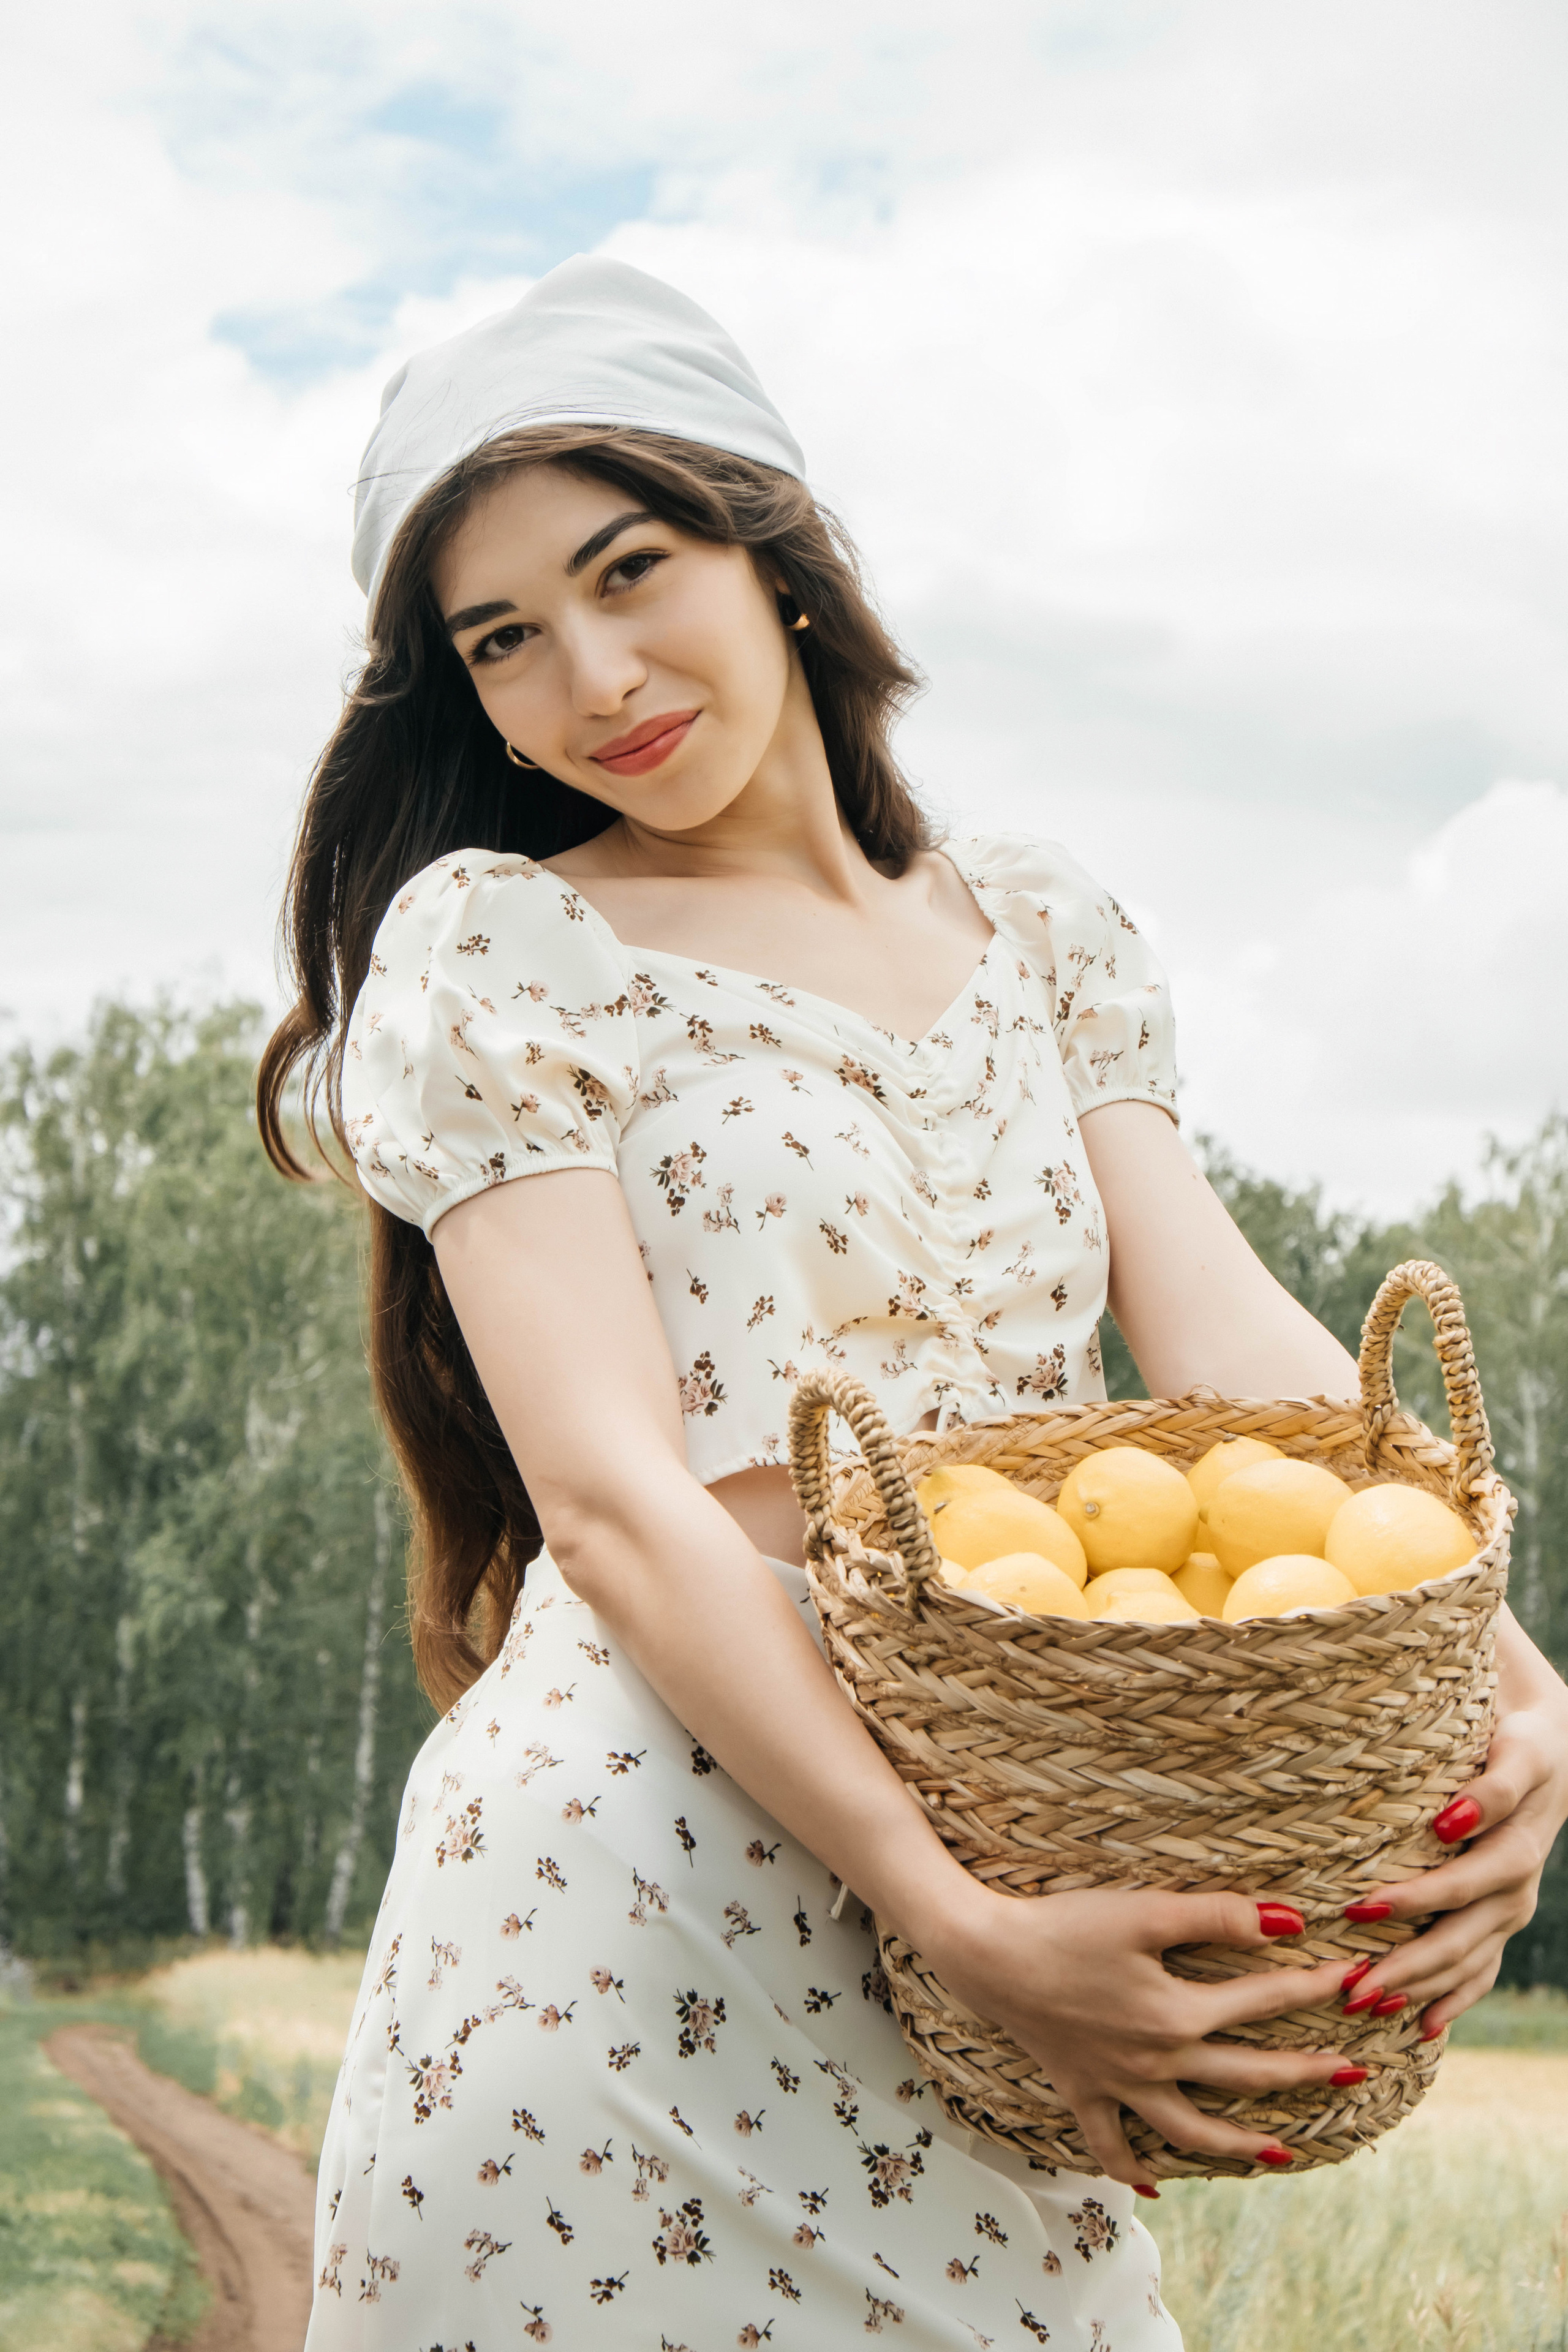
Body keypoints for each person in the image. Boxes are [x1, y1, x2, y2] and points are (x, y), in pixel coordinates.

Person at [260, 256, 1568, 2347]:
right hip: (632, 1914)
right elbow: (607, 1498)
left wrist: (1507, 1680)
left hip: (1007, 1879)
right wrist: (947, 1912)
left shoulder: (1037, 926)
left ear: (772, 545)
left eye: (631, 569)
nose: (591, 677)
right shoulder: (501, 952)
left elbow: (1227, 1346)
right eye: (505, 640)